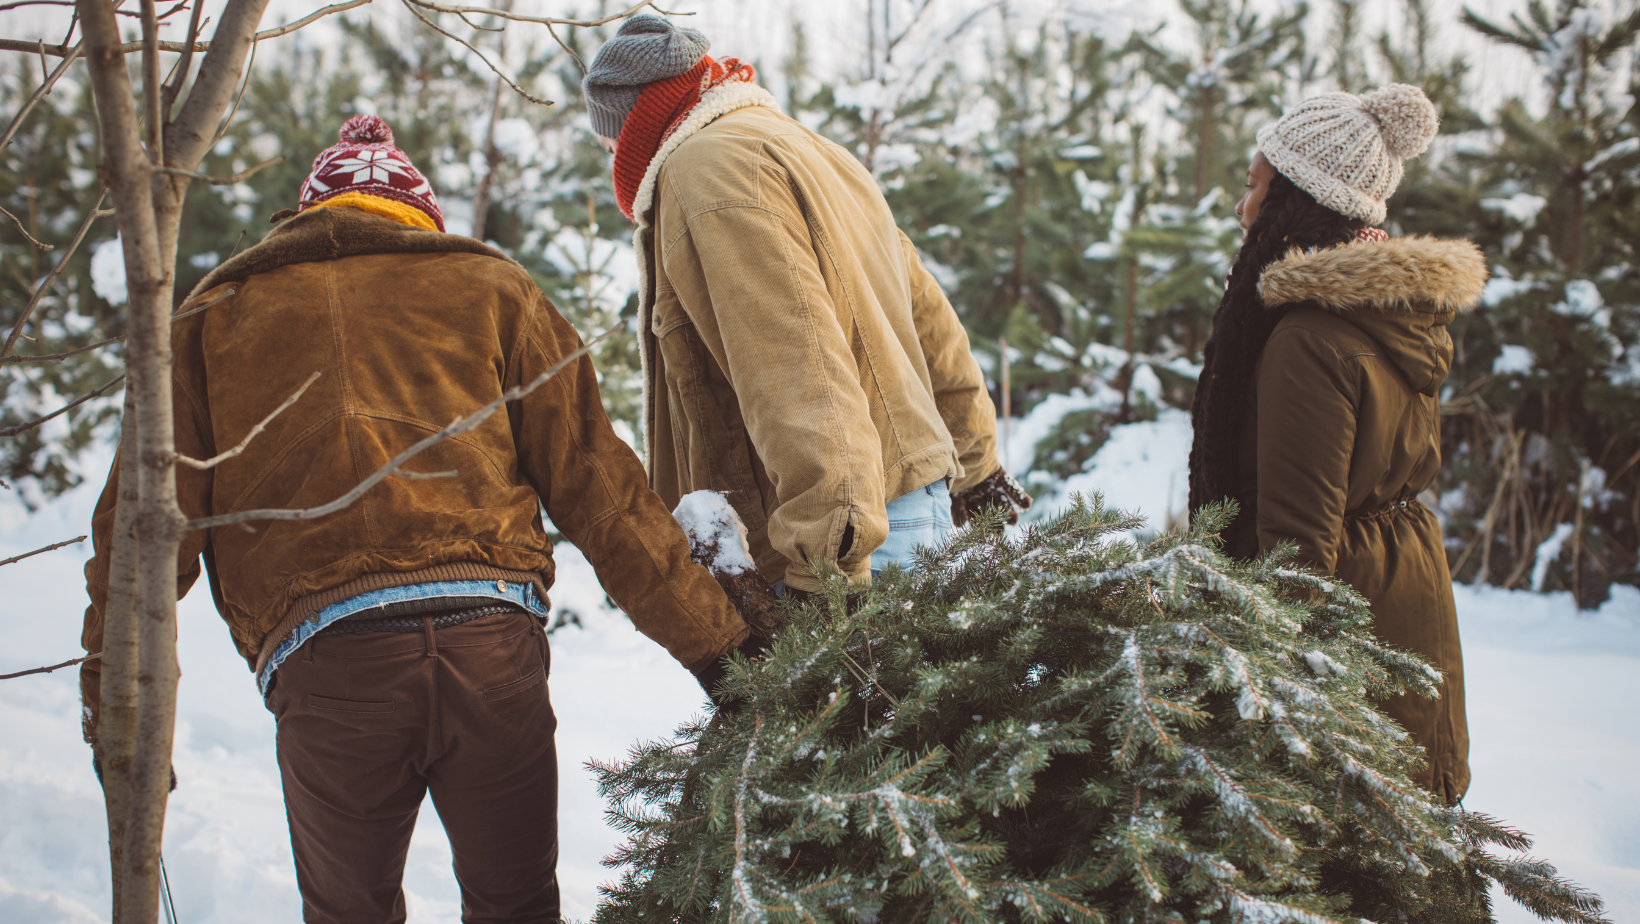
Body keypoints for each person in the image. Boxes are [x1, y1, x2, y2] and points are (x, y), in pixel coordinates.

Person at [79, 114, 753, 923]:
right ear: (419, 219)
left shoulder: (212, 317)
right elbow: (599, 489)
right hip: (488, 651)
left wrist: (118, 712)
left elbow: (142, 539)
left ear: (304, 217)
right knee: (517, 906)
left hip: (330, 664)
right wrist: (721, 650)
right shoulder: (491, 290)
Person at [580, 15, 1031, 603]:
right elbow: (927, 320)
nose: (612, 155)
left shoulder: (706, 172)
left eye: (611, 140)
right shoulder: (812, 149)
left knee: (858, 700)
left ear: (635, 123)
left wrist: (826, 562)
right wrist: (976, 462)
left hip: (838, 541)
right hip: (904, 508)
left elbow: (797, 369)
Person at [1187, 84, 1484, 803]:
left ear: (1295, 201)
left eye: (1255, 186)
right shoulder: (1381, 312)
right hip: (1399, 590)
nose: (1242, 206)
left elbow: (1296, 541)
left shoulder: (1308, 337)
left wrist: (1277, 692)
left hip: (1349, 615)